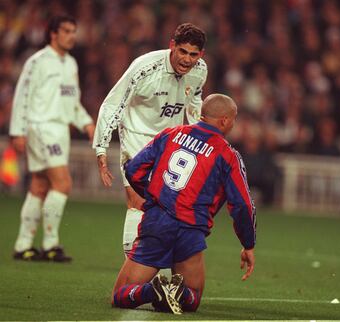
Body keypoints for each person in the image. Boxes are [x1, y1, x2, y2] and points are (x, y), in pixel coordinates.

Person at [111, 94, 256, 314]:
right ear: (225, 121)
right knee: (192, 298)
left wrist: (152, 197)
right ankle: (178, 293)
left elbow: (133, 170)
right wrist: (248, 243)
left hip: (158, 223)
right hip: (190, 232)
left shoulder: (171, 134)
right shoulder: (228, 155)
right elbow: (242, 205)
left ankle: (152, 292)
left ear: (201, 114)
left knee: (122, 294)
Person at [93, 23, 208, 255]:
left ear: (201, 55)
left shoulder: (200, 70)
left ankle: (160, 275)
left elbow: (195, 102)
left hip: (171, 141)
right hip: (137, 136)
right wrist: (101, 148)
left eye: (193, 54)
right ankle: (132, 273)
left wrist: (199, 138)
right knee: (138, 202)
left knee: (166, 207)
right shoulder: (144, 67)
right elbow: (113, 104)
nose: (187, 59)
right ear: (172, 46)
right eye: (183, 52)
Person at [9, 15, 95, 262]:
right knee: (63, 183)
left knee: (39, 185)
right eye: (67, 30)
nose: (72, 35)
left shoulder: (70, 64)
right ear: (53, 34)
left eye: (74, 31)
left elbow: (72, 100)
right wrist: (18, 130)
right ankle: (50, 243)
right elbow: (22, 96)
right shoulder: (38, 62)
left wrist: (86, 121)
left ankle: (23, 245)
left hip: (59, 130)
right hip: (42, 127)